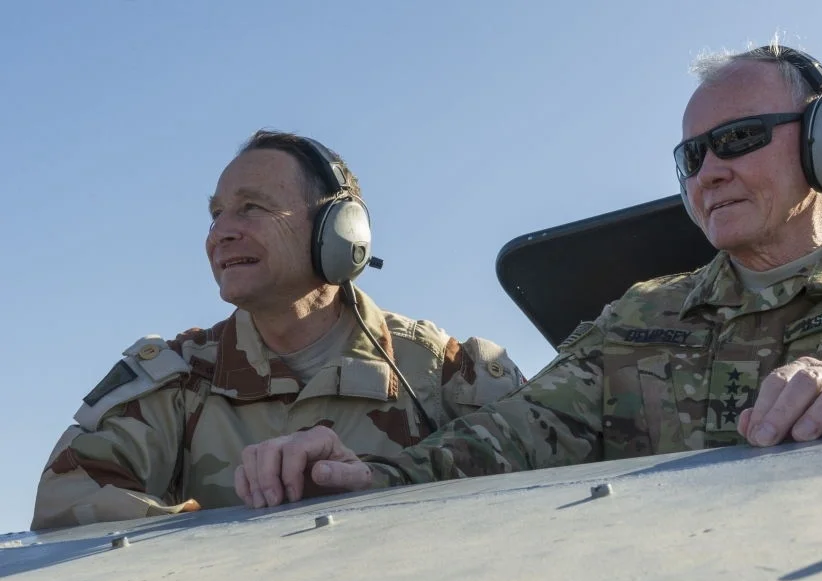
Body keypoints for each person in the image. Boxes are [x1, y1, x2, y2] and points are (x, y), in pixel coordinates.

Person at [233, 42, 822, 500]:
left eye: (740, 138)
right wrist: (363, 475)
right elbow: (508, 437)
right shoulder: (637, 316)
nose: (711, 170)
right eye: (692, 155)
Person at [31, 130, 524, 529]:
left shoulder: (445, 371)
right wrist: (213, 536)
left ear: (339, 232)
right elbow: (64, 501)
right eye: (216, 213)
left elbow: (554, 477)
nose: (221, 231)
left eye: (252, 207)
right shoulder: (177, 376)